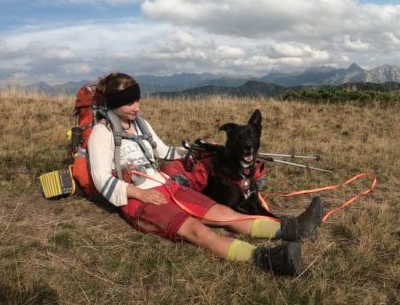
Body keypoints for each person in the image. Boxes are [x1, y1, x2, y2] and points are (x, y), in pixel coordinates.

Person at [88, 72, 324, 276]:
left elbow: (164, 151)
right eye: (129, 103)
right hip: (138, 197)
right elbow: (101, 179)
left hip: (167, 187)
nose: (136, 107)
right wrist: (138, 193)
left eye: (137, 100)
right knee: (196, 230)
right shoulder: (101, 133)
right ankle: (268, 259)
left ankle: (294, 229)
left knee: (225, 213)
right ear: (113, 103)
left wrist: (200, 148)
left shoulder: (141, 124)